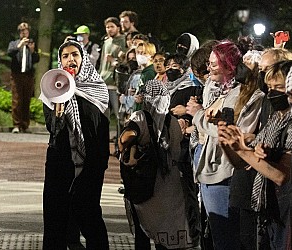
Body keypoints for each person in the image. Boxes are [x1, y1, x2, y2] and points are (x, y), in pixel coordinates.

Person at [192, 40, 264, 249]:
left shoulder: (248, 95)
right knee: (217, 235)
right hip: (213, 167)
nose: (208, 69)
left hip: (224, 171)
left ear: (230, 65)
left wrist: (198, 116)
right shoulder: (221, 90)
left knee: (226, 237)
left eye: (214, 65)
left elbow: (233, 133)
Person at [40, 40, 110, 249]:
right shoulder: (51, 88)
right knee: (56, 216)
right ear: (60, 61)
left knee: (88, 213)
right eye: (65, 56)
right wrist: (59, 101)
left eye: (75, 55)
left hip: (90, 164)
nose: (71, 59)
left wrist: (99, 164)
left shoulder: (97, 89)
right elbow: (53, 128)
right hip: (60, 162)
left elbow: (101, 129)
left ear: (83, 59)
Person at [118, 80, 201, 249]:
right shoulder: (173, 122)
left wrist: (128, 146)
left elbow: (126, 137)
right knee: (167, 229)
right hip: (172, 184)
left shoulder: (141, 117)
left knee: (143, 227)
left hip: (148, 181)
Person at [218, 60, 292, 249]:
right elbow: (244, 163)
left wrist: (244, 150)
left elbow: (281, 175)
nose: (272, 93)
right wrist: (229, 144)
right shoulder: (276, 117)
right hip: (267, 208)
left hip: (285, 209)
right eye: (269, 87)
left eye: (280, 87)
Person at [7, 22, 40, 134]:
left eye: (26, 31)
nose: (24, 33)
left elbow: (37, 59)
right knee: (17, 100)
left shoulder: (32, 44)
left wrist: (32, 51)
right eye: (22, 31)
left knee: (26, 100)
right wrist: (19, 45)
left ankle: (25, 125)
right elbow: (10, 53)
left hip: (28, 75)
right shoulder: (14, 43)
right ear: (19, 33)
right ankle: (16, 124)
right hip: (17, 75)